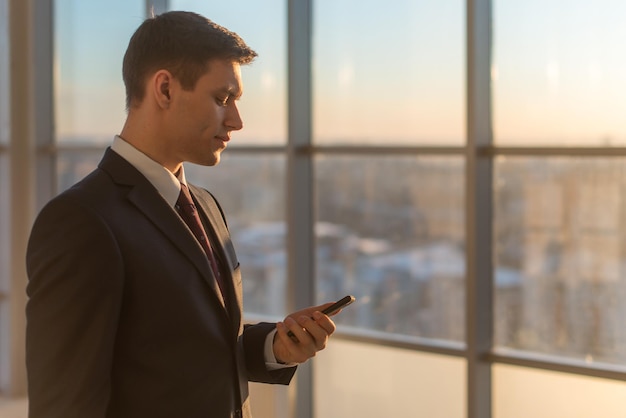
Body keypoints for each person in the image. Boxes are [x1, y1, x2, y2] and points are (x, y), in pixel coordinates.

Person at [25, 11, 337, 418]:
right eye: (222, 99)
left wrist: (275, 346)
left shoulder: (205, 205)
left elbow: (192, 348)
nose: (237, 121)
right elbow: (63, 406)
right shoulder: (80, 221)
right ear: (166, 89)